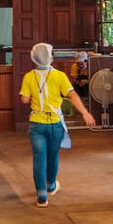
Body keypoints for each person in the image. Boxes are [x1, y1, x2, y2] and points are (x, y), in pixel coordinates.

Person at [19, 43, 95, 207]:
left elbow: (24, 99)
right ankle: (51, 185)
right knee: (52, 156)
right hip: (55, 124)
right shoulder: (59, 76)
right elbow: (72, 95)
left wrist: (32, 98)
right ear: (51, 57)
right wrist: (85, 113)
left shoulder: (28, 76)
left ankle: (41, 197)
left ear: (34, 58)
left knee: (39, 159)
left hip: (36, 124)